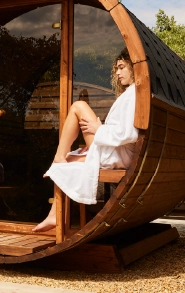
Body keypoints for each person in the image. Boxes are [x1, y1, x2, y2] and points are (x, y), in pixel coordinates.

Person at [32, 48, 139, 232]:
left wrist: (99, 130)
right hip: (114, 151)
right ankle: (54, 215)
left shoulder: (134, 94)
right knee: (64, 164)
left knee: (78, 106)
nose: (118, 73)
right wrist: (99, 136)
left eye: (122, 67)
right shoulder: (132, 93)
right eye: (116, 69)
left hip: (116, 153)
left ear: (133, 67)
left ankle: (57, 158)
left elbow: (130, 133)